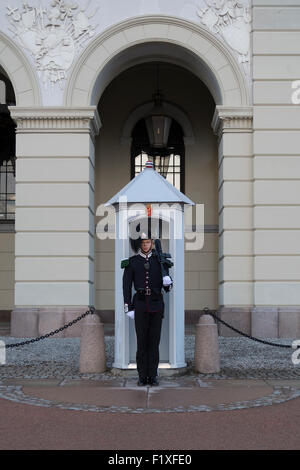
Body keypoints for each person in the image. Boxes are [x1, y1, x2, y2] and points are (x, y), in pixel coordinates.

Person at [122, 232, 173, 386]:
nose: (146, 245)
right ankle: (142, 376)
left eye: (148, 243)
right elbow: (126, 286)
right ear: (140, 245)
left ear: (152, 244)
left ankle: (153, 375)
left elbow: (169, 288)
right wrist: (128, 306)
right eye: (143, 243)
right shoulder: (132, 262)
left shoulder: (161, 261)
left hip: (156, 304)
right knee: (142, 342)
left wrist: (167, 282)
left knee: (154, 342)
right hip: (140, 305)